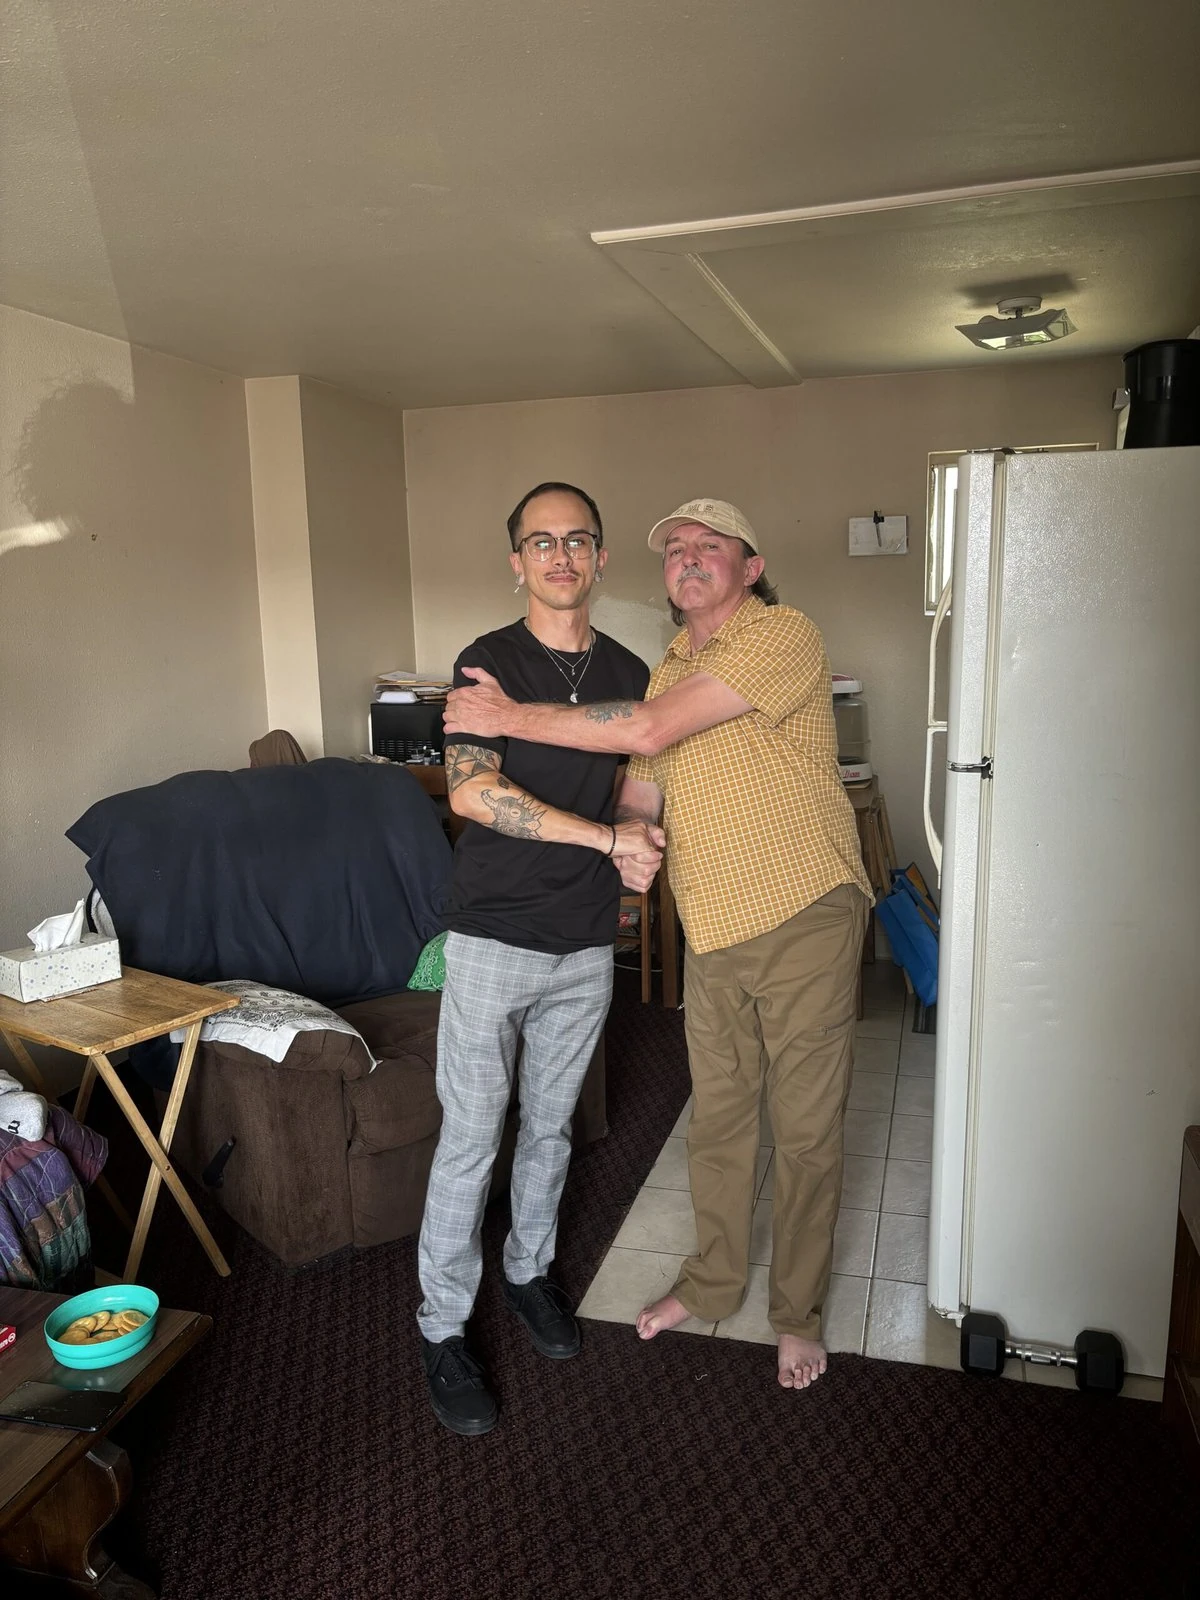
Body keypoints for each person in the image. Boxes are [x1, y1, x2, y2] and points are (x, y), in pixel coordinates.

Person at [444, 497, 872, 1393]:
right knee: (713, 1122)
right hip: (705, 923)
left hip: (801, 910)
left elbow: (642, 735)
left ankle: (796, 1316)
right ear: (518, 560)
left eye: (709, 545)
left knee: (802, 1129)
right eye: (674, 547)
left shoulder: (780, 633)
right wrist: (626, 846)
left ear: (749, 567)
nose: (687, 557)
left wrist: (506, 718)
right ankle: (708, 1280)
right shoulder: (662, 665)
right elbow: (641, 787)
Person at [417, 481, 661, 1436]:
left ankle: (526, 1274)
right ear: (516, 562)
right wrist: (604, 844)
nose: (561, 555)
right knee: (472, 1140)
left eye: (579, 540)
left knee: (551, 1129)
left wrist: (638, 836)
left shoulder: (634, 670)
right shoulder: (488, 665)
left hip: (584, 945)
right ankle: (441, 1329)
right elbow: (474, 794)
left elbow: (640, 784)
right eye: (541, 541)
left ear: (601, 560)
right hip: (493, 941)